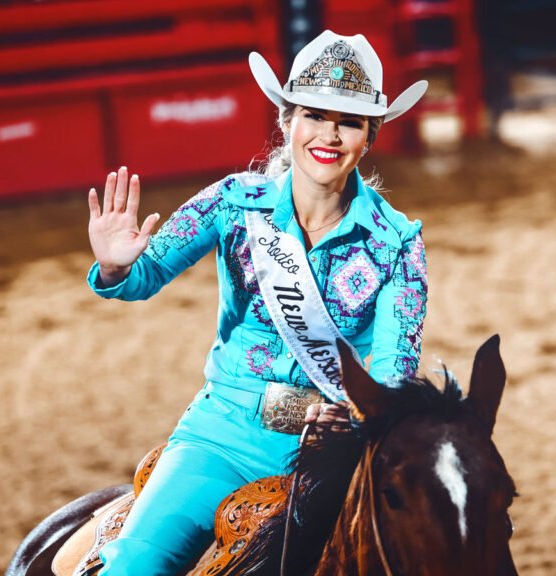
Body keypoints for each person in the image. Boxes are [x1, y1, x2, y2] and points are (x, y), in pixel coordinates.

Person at [84, 31, 430, 576]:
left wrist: (360, 414)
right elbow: (143, 277)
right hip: (220, 437)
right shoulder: (232, 203)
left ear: (370, 136)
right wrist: (116, 265)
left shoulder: (398, 244)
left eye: (349, 122)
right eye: (314, 115)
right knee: (132, 566)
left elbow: (393, 374)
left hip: (332, 457)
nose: (329, 135)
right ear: (287, 121)